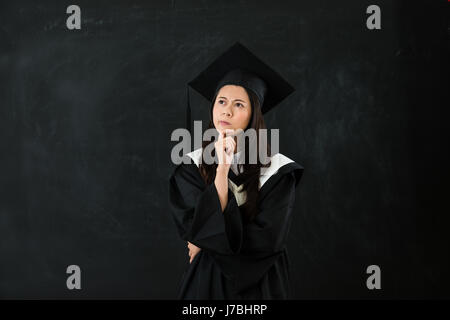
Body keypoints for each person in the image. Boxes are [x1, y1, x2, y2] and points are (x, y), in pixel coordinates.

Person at [168, 42, 304, 299]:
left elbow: (268, 239)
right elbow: (191, 225)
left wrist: (207, 241)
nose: (227, 110)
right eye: (221, 101)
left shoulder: (279, 171)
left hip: (262, 285)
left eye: (239, 104)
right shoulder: (191, 166)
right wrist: (222, 169)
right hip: (206, 283)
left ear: (254, 114)